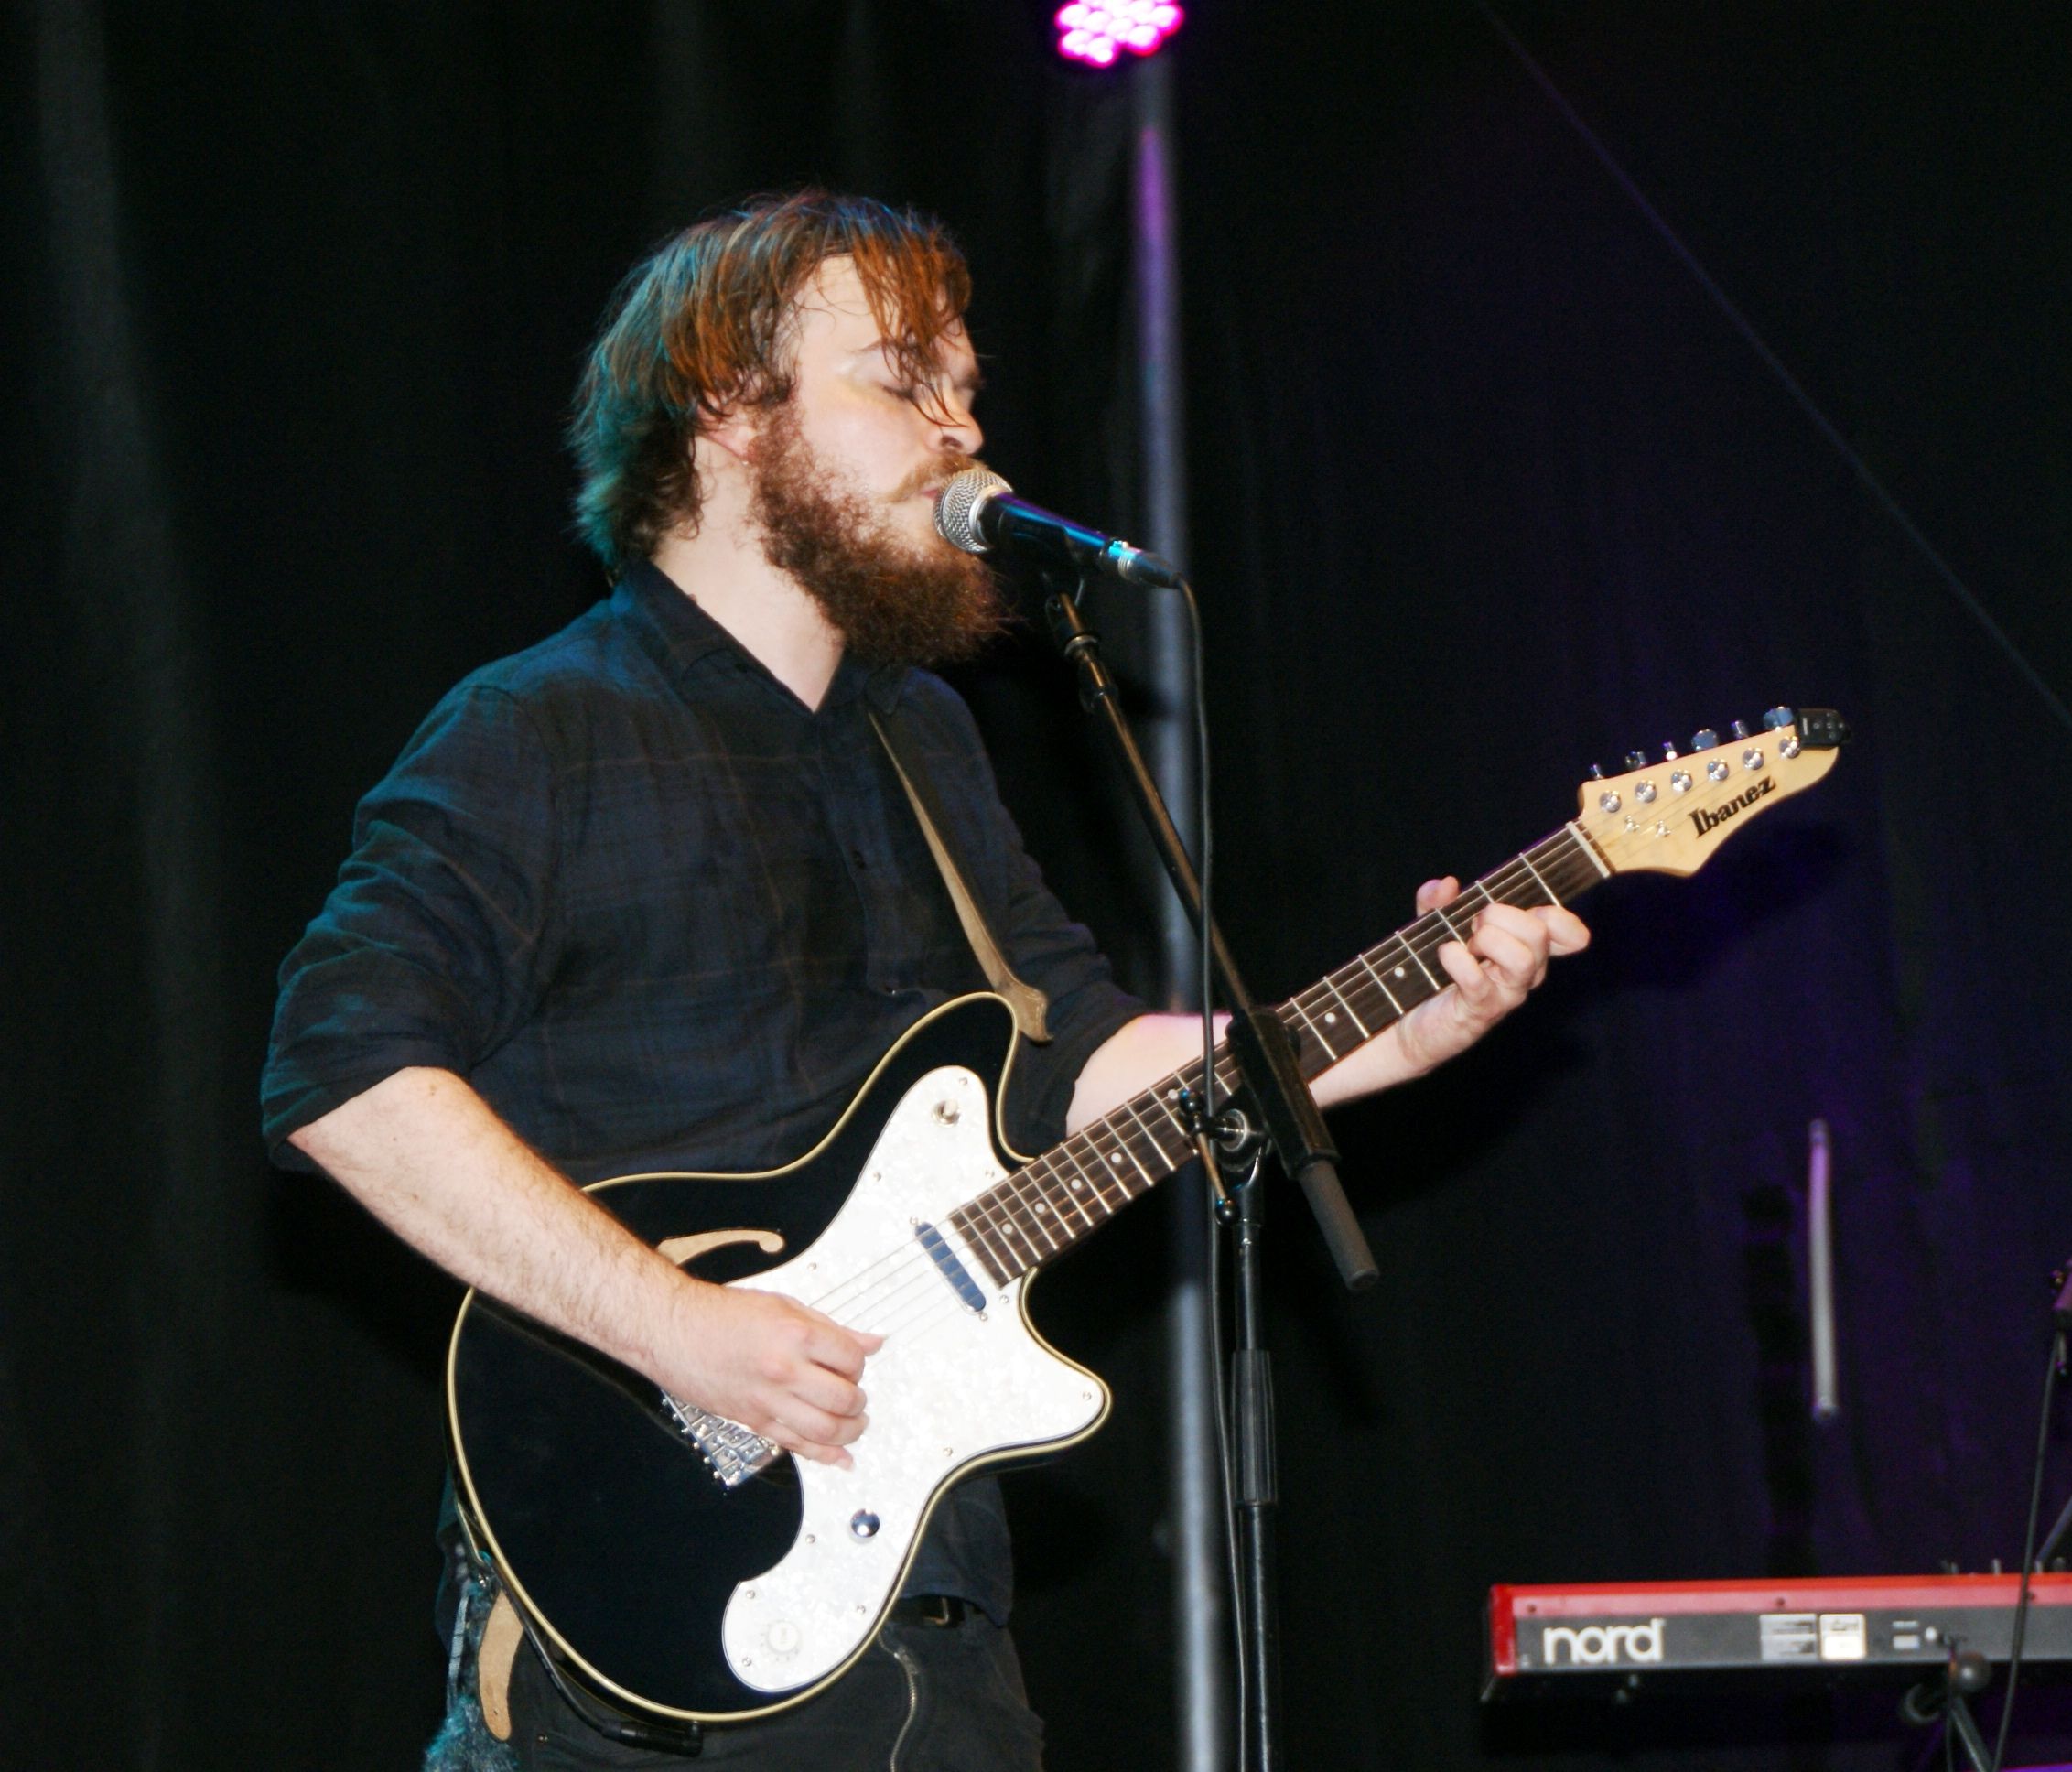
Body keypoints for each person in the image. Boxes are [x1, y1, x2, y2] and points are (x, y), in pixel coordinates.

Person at [261, 189, 1589, 1771]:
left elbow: (1083, 1061)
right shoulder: (538, 728)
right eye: (902, 379)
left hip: (928, 1628)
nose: (962, 429)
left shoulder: (924, 738)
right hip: (637, 1629)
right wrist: (677, 1328)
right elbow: (343, 1077)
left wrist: (1402, 1026)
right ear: (730, 409)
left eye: (965, 386)